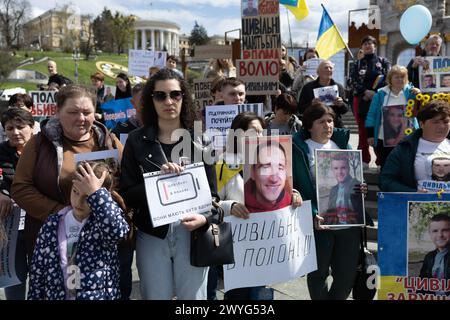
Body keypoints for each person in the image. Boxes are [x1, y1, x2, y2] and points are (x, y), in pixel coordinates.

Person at [119, 69, 218, 300]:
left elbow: (214, 197)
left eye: (175, 94)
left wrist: (204, 219)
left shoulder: (202, 140)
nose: (169, 101)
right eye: (160, 96)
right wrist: (157, 181)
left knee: (193, 300)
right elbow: (127, 194)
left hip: (191, 234)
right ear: (150, 100)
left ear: (184, 97)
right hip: (152, 234)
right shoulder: (136, 140)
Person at [11, 85, 123, 261]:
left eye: (87, 112)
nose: (81, 118)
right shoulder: (39, 143)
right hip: (52, 244)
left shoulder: (109, 142)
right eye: (73, 112)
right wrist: (64, 214)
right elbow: (20, 188)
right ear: (57, 112)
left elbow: (126, 183)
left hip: (100, 247)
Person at [214, 112, 302, 300]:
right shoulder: (222, 164)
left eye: (262, 132)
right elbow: (211, 204)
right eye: (254, 132)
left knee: (262, 296)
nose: (260, 137)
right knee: (237, 298)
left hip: (266, 247)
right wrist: (230, 206)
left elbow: (282, 195)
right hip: (237, 250)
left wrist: (294, 195)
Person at [292, 102, 366, 300]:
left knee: (346, 275)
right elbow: (293, 182)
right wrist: (308, 209)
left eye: (330, 120)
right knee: (318, 273)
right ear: (309, 125)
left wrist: (361, 187)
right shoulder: (298, 149)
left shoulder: (342, 144)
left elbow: (355, 176)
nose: (328, 125)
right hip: (318, 222)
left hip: (348, 223)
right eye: (321, 121)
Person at [27, 161, 129, 300]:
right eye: (75, 192)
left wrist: (96, 193)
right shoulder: (52, 224)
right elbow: (37, 272)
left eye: (87, 197)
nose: (78, 202)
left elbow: (118, 231)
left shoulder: (103, 223)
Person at [0, 108, 35, 299]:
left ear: (31, 127)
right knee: (14, 280)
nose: (15, 132)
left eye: (20, 127)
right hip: (10, 228)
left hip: (40, 225)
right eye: (10, 128)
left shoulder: (44, 150)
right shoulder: (1, 151)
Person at [380, 99, 450, 192]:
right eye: (436, 122)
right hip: (419, 205)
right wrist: (412, 193)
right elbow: (386, 181)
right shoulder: (405, 148)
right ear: (422, 124)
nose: (441, 126)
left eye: (446, 122)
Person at [365, 65, 420, 168]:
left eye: (402, 77)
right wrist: (370, 134)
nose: (400, 79)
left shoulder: (412, 92)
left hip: (407, 137)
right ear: (390, 79)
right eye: (396, 77)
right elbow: (371, 115)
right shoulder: (380, 94)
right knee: (386, 166)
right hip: (383, 138)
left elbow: (420, 111)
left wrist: (419, 96)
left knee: (406, 167)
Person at [350, 35, 391, 168]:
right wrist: (365, 92)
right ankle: (364, 160)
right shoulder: (356, 64)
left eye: (370, 43)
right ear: (361, 47)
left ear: (375, 46)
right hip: (360, 100)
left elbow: (388, 79)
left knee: (379, 128)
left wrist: (375, 93)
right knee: (362, 130)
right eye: (365, 43)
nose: (368, 45)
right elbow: (352, 81)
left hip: (379, 99)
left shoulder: (383, 62)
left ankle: (380, 160)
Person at [298, 60, 349, 128]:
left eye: (331, 68)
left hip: (334, 125)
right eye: (326, 67)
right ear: (318, 72)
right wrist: (311, 104)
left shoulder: (339, 87)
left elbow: (345, 110)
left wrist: (341, 104)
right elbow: (300, 109)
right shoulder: (308, 88)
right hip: (313, 127)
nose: (328, 70)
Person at [244, 142, 293, 213]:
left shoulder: (293, 203)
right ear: (253, 172)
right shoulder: (239, 205)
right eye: (266, 168)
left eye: (280, 168)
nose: (274, 179)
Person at [324, 154, 364, 225]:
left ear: (348, 168)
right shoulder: (333, 190)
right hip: (336, 227)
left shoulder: (357, 185)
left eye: (343, 168)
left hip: (352, 228)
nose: (340, 172)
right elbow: (330, 212)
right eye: (336, 168)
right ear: (332, 170)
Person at [419, 214, 450, 284]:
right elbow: (422, 282)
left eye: (445, 230)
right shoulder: (429, 257)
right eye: (435, 231)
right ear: (430, 233)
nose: (440, 235)